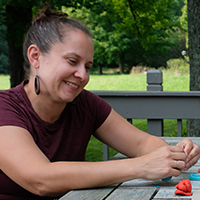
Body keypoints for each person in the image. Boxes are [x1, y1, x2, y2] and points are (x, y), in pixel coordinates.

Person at [0, 8, 199, 200]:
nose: (82, 75)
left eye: (87, 66)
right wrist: (141, 166)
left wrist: (174, 153)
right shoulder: (4, 107)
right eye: (72, 61)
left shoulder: (85, 104)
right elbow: (40, 179)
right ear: (35, 56)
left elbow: (141, 143)